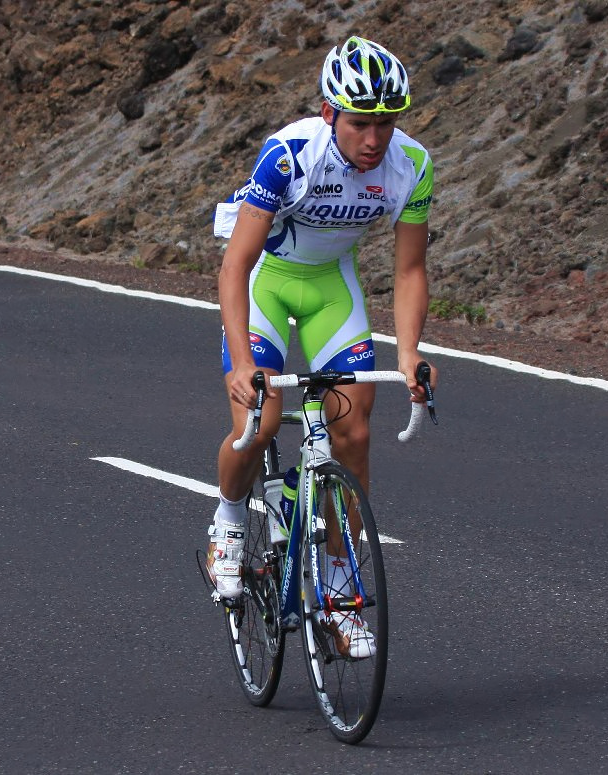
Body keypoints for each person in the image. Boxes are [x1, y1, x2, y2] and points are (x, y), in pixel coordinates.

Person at [206, 36, 436, 657]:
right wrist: (244, 363)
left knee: (354, 436)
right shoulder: (288, 156)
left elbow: (410, 270)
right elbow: (236, 265)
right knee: (261, 423)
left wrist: (410, 352)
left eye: (386, 124)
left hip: (332, 290)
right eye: (361, 123)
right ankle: (228, 522)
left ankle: (338, 585)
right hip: (267, 284)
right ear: (330, 112)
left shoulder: (411, 165)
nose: (375, 139)